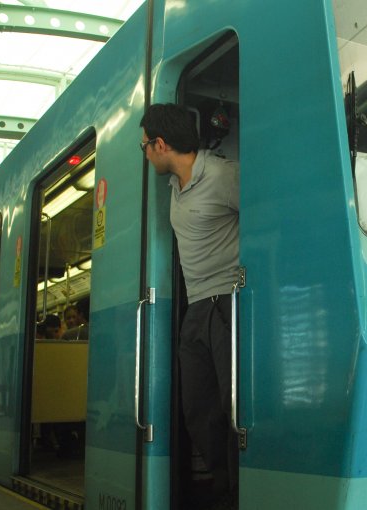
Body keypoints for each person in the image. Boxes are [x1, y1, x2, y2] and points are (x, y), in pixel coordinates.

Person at [141, 103, 240, 509]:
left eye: (146, 146)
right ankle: (225, 487)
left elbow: (268, 219)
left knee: (232, 409)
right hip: (196, 308)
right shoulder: (174, 187)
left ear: (161, 145)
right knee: (198, 411)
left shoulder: (224, 175)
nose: (145, 154)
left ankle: (236, 495)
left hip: (228, 303)